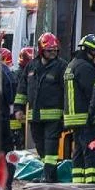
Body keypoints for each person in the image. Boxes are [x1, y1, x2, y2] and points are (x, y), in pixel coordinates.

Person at [26, 33, 68, 182]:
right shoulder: (31, 66)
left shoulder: (61, 66)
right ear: (41, 50)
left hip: (53, 117)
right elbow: (22, 88)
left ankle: (48, 176)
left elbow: (67, 92)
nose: (53, 53)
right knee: (40, 146)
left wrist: (65, 114)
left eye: (55, 50)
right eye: (50, 50)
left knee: (51, 148)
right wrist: (18, 108)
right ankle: (49, 174)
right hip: (35, 116)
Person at [64, 35, 95, 185]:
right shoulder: (85, 68)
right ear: (89, 51)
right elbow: (92, 92)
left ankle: (78, 181)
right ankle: (91, 182)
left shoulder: (71, 65)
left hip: (72, 117)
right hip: (84, 116)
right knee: (90, 150)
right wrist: (93, 113)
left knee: (78, 151)